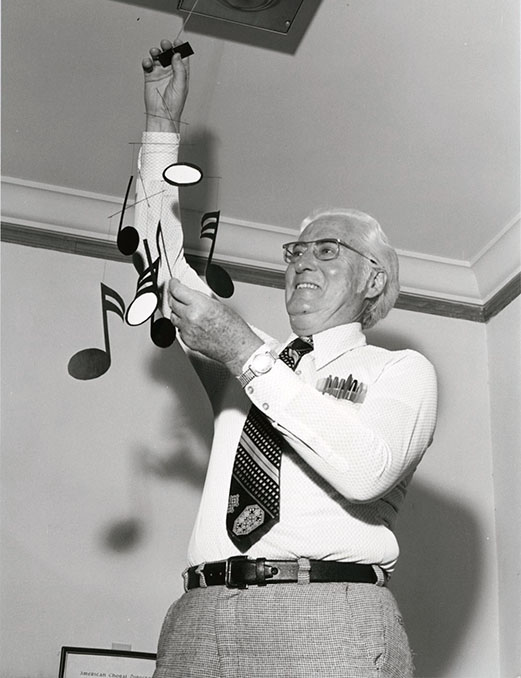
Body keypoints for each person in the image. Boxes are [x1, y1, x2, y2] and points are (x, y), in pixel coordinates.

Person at [137, 39, 438, 678]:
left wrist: (247, 353)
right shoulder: (249, 361)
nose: (302, 263)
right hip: (196, 618)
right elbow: (160, 273)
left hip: (328, 612)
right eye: (295, 253)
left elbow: (365, 470)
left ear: (374, 281)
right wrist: (162, 131)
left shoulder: (400, 372)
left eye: (327, 251)